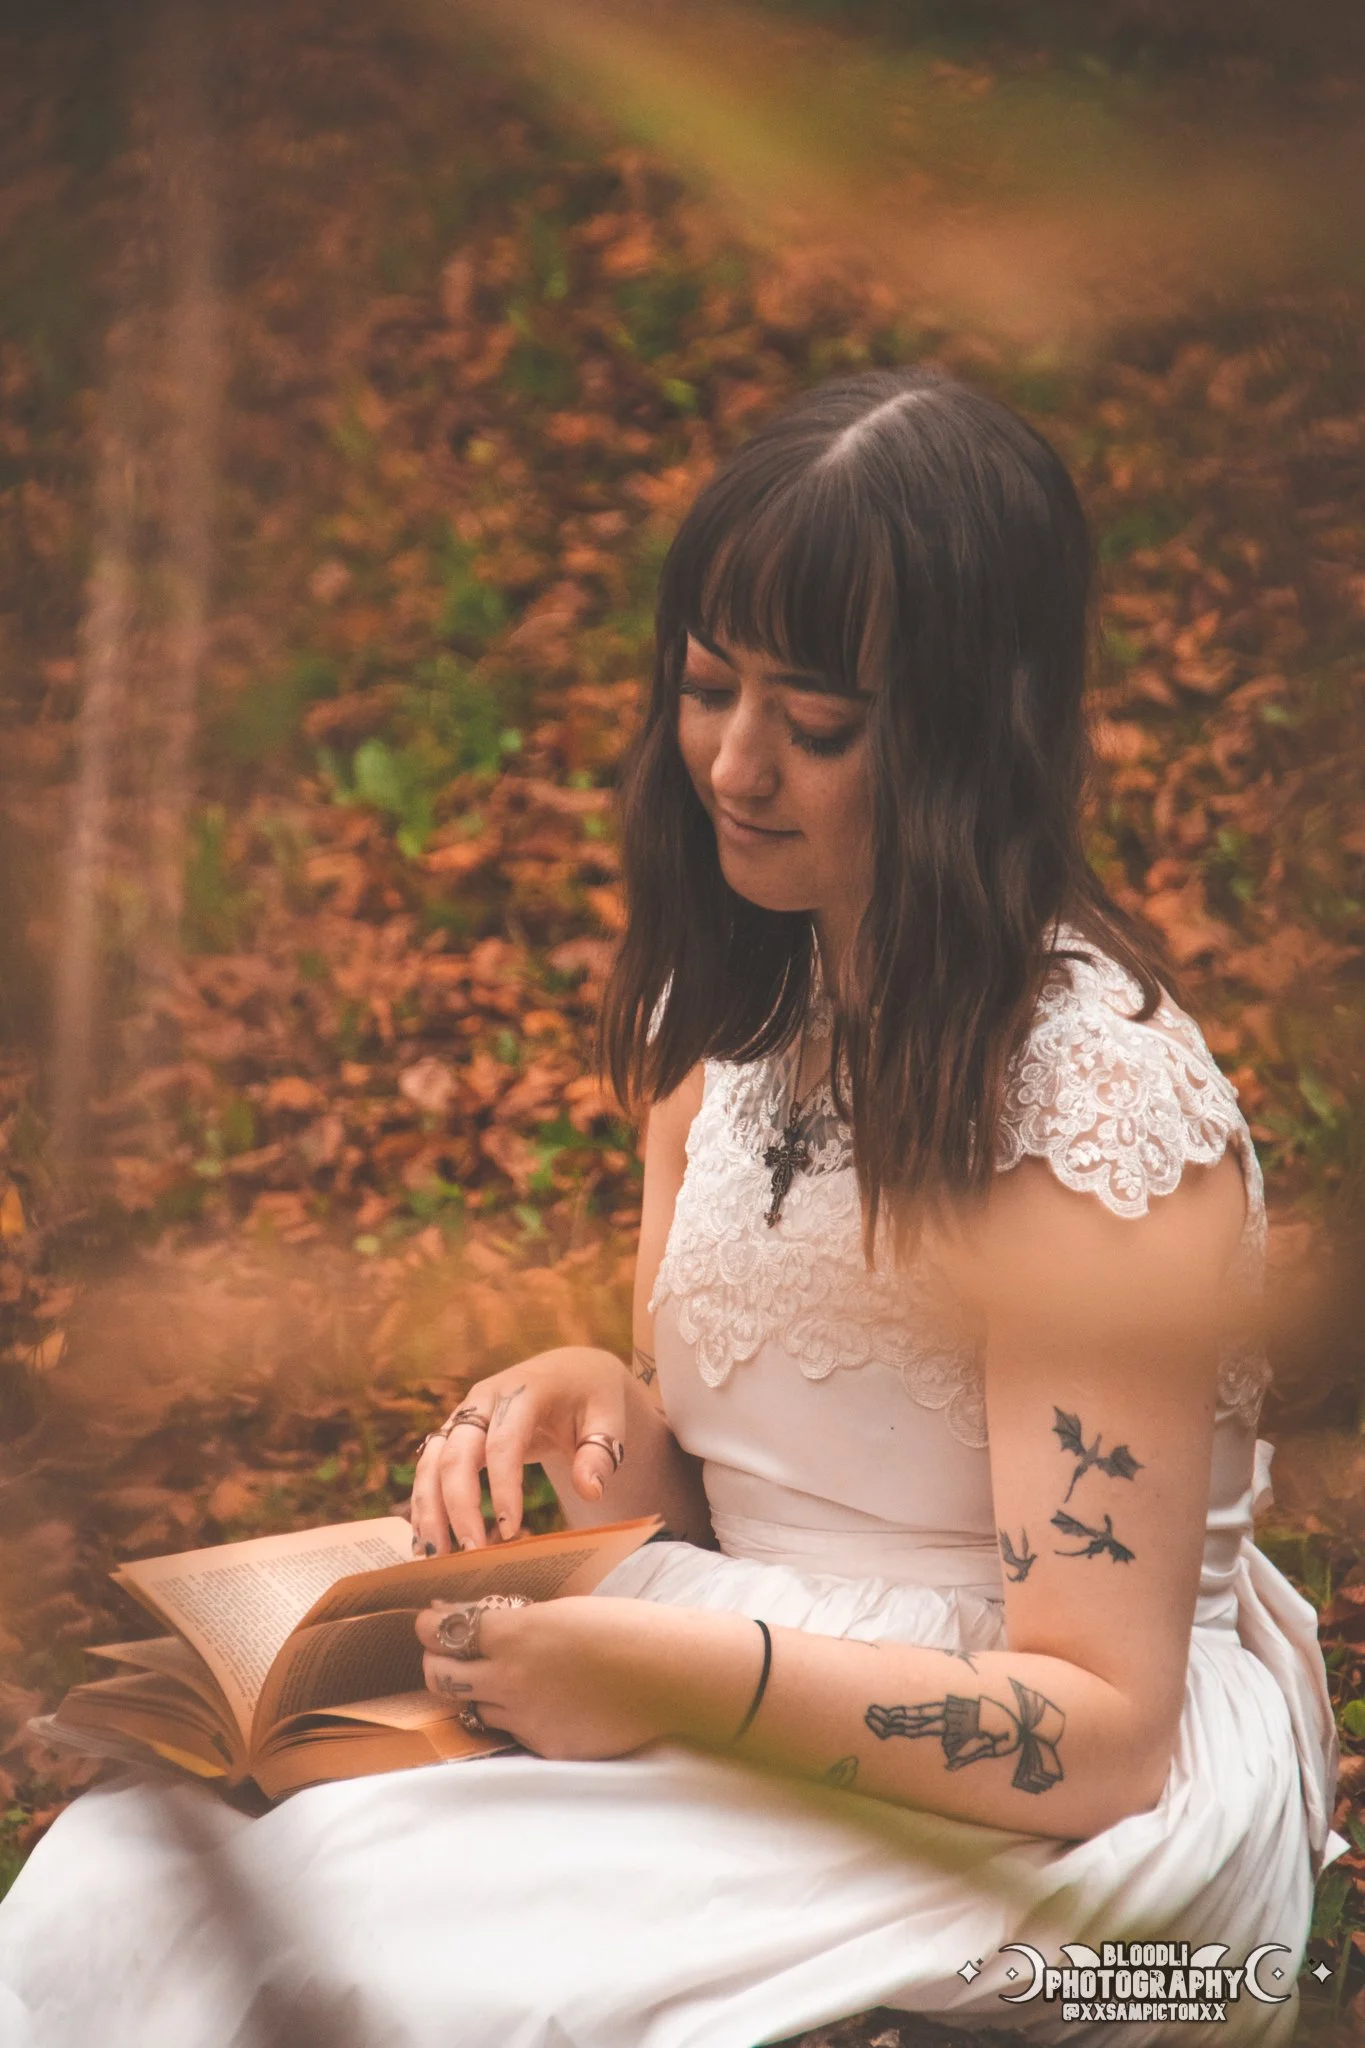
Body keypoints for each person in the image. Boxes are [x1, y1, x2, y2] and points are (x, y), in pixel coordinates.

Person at [0, 368, 1341, 2048]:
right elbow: (737, 1508)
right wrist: (601, 1414)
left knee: (396, 1984)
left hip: (1050, 1820)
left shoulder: (1087, 1119)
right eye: (709, 688)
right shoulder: (726, 1025)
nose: (736, 762)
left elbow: (1101, 1734)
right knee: (119, 1890)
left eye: (820, 723)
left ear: (965, 738)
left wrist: (657, 1680)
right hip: (726, 1658)